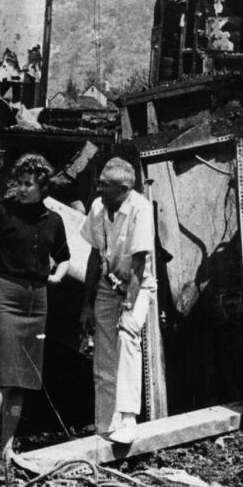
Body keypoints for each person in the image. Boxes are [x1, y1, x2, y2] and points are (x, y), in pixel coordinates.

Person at [0, 154, 71, 472]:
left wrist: (58, 274)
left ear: (43, 187)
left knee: (24, 381)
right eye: (20, 183)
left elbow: (65, 256)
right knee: (3, 377)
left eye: (29, 184)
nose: (23, 189)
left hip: (36, 302)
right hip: (5, 297)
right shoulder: (2, 214)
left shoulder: (54, 221)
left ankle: (7, 449)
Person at [79, 157, 156, 444]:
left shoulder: (140, 209)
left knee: (127, 338)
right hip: (106, 284)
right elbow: (92, 256)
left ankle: (128, 419)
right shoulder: (99, 207)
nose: (99, 188)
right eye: (99, 182)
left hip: (136, 286)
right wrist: (86, 304)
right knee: (104, 354)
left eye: (105, 185)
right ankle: (105, 423)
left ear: (123, 189)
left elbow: (138, 264)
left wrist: (127, 308)